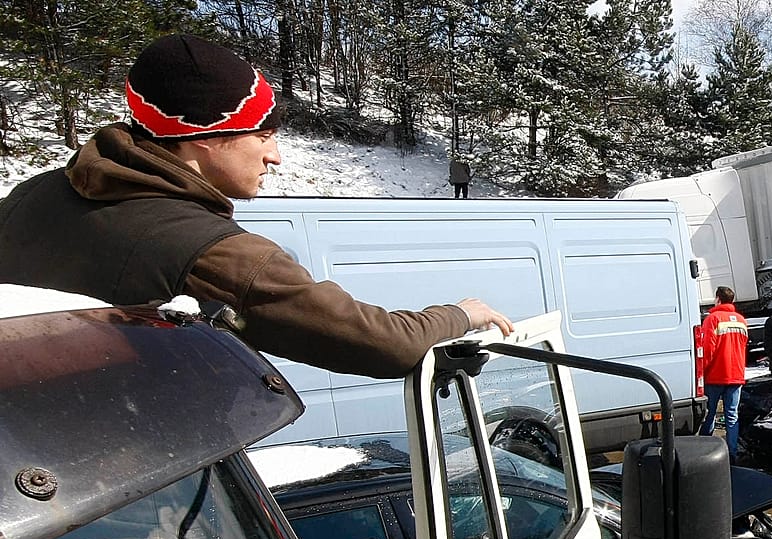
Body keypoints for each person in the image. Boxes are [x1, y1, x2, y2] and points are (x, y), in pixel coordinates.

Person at [0, 34, 512, 380]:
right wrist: (460, 314)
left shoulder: (31, 196)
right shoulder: (214, 255)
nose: (276, 155)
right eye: (262, 135)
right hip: (138, 505)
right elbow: (383, 344)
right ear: (204, 137)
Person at [698, 286, 749, 460]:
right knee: (732, 416)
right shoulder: (742, 321)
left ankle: (704, 452)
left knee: (709, 414)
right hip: (736, 376)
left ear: (718, 299)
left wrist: (701, 373)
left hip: (715, 376)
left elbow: (707, 350)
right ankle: (732, 453)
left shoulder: (713, 319)